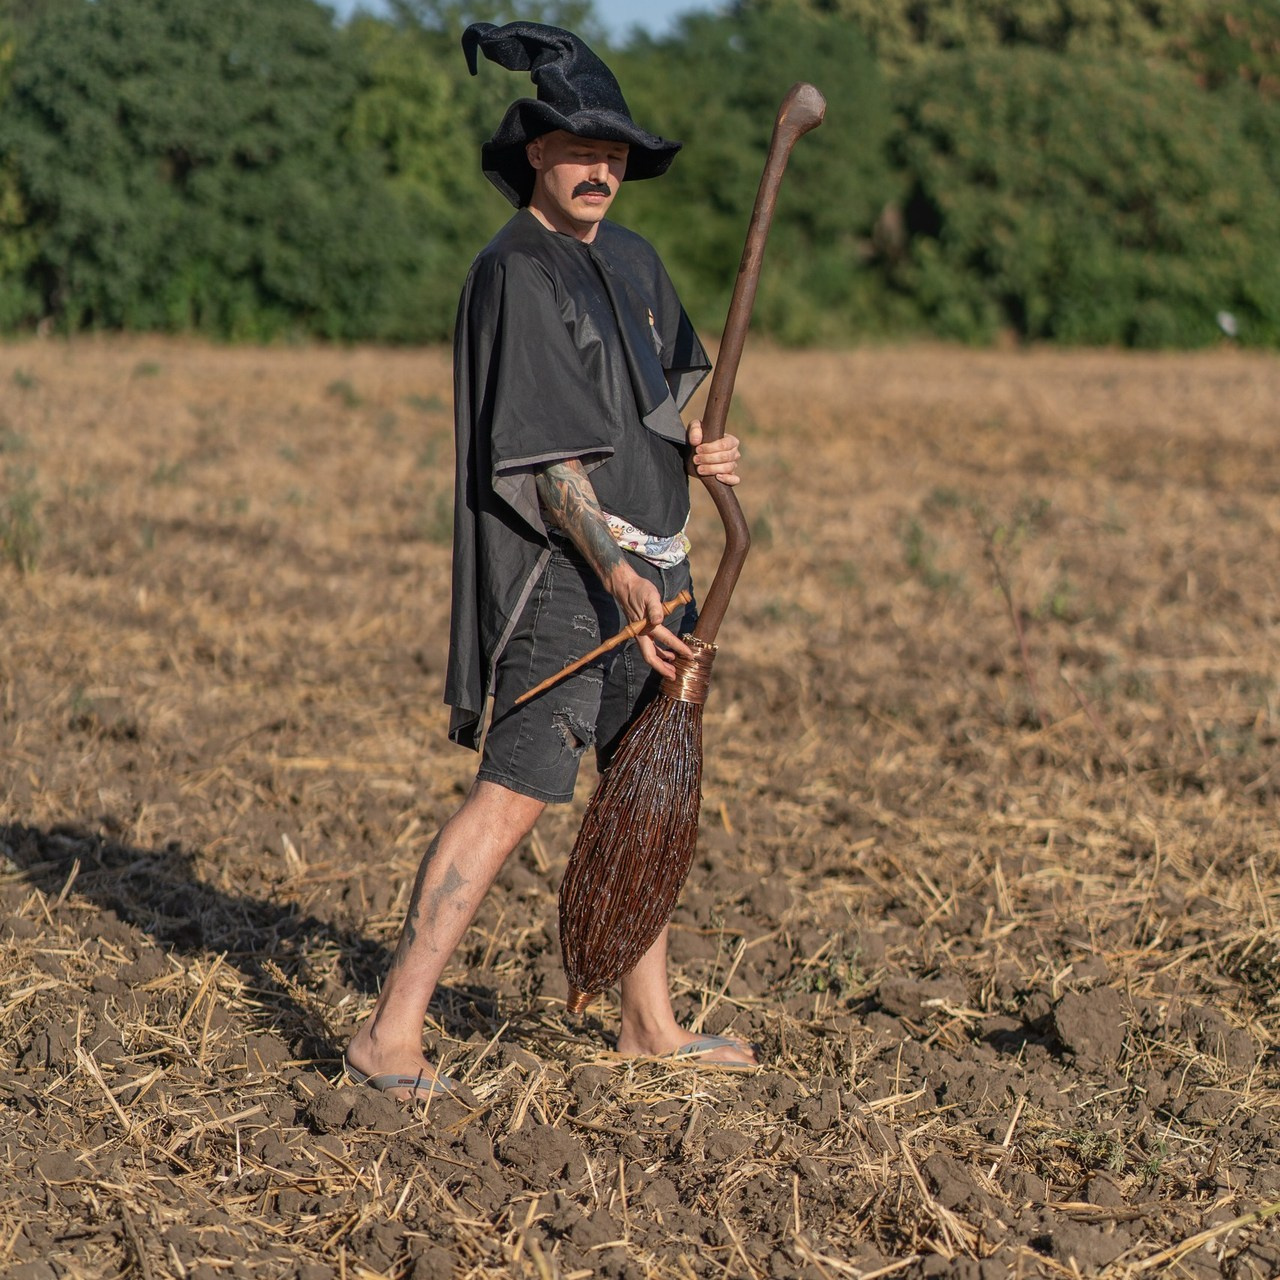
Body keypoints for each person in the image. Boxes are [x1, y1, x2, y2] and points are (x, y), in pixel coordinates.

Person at [343, 21, 756, 1100]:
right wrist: (615, 571)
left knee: (641, 794)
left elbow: (658, 407)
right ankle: (388, 1035)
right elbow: (547, 459)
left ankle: (649, 1026)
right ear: (537, 152)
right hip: (565, 581)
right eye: (581, 151)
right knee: (514, 794)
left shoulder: (633, 259)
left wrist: (702, 448)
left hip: (658, 569)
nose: (600, 172)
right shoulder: (515, 270)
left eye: (614, 155)